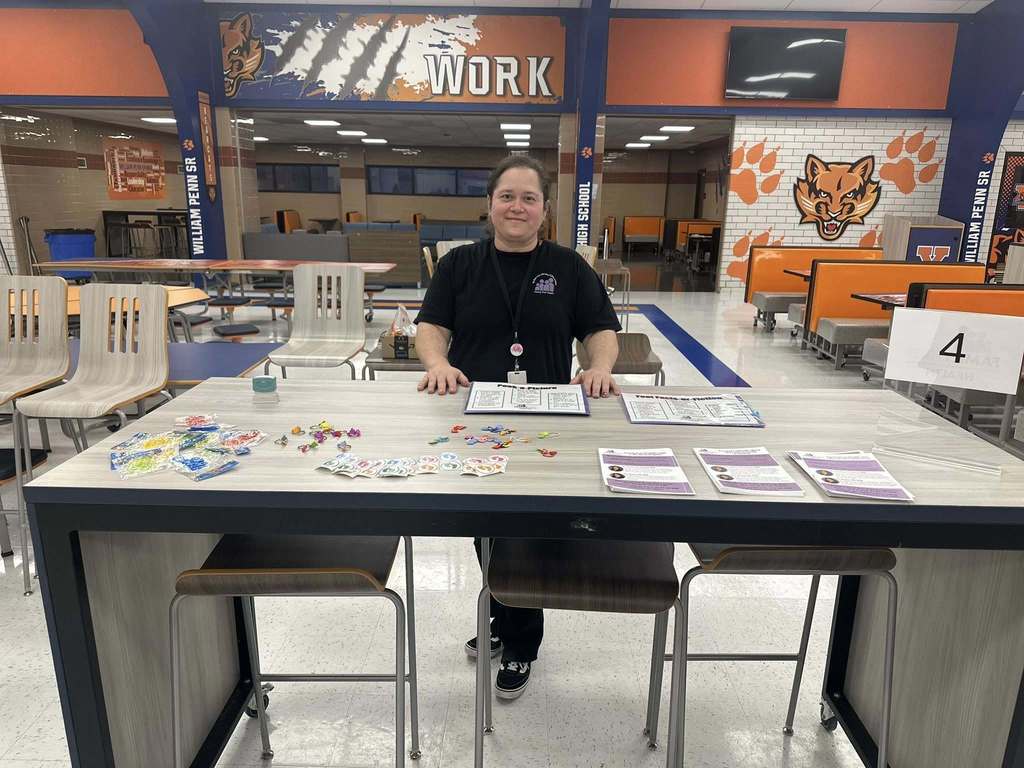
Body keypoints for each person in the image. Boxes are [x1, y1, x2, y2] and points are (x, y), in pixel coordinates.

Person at [414, 155, 622, 700]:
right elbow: (431, 327)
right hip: (473, 419)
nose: (517, 207)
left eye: (529, 198)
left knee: (524, 530)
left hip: (544, 420)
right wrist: (437, 364)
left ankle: (521, 642)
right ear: (489, 205)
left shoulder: (570, 268)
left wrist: (598, 367)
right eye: (507, 195)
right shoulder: (459, 265)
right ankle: (502, 611)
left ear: (545, 211)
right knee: (483, 526)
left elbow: (601, 328)